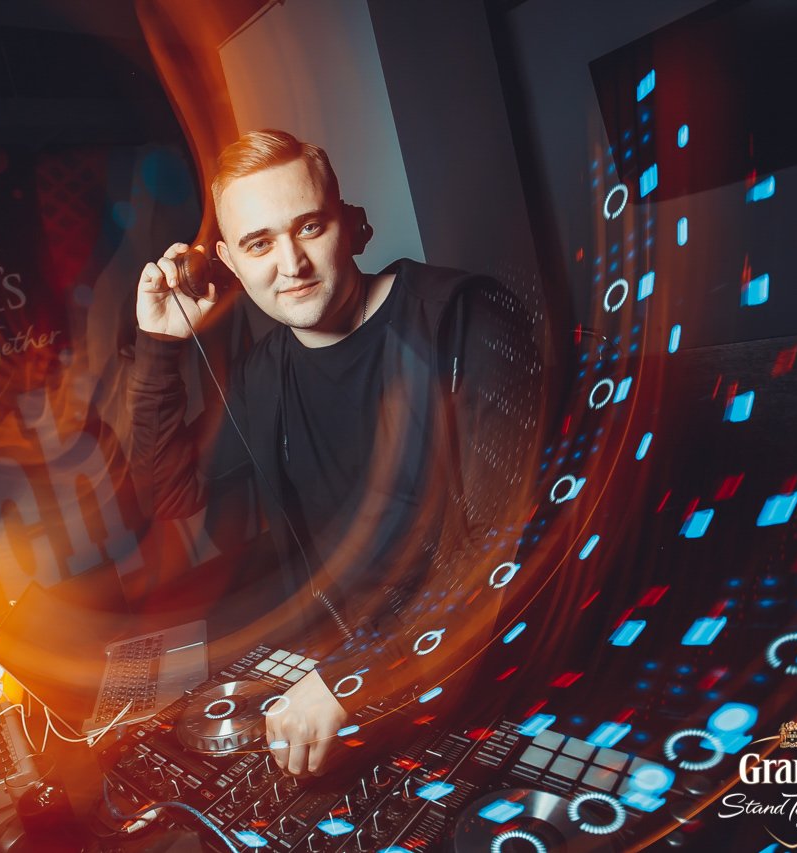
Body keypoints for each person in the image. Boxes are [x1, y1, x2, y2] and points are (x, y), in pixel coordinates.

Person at [128, 130, 540, 778]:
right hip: (349, 679)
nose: (291, 263)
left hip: (485, 677)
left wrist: (352, 678)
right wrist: (160, 343)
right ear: (231, 263)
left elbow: (502, 552)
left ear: (349, 225)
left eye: (309, 227)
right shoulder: (264, 375)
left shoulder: (467, 320)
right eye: (259, 243)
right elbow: (169, 491)